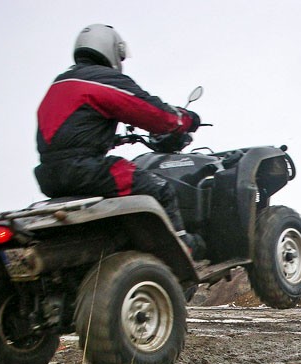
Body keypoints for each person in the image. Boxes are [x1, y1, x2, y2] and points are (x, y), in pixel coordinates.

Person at [34, 24, 205, 258]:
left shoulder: (60, 84)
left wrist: (113, 139)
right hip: (85, 170)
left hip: (49, 176)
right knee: (160, 188)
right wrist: (185, 119)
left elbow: (69, 132)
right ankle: (184, 251)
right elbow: (152, 112)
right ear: (112, 49)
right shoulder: (102, 79)